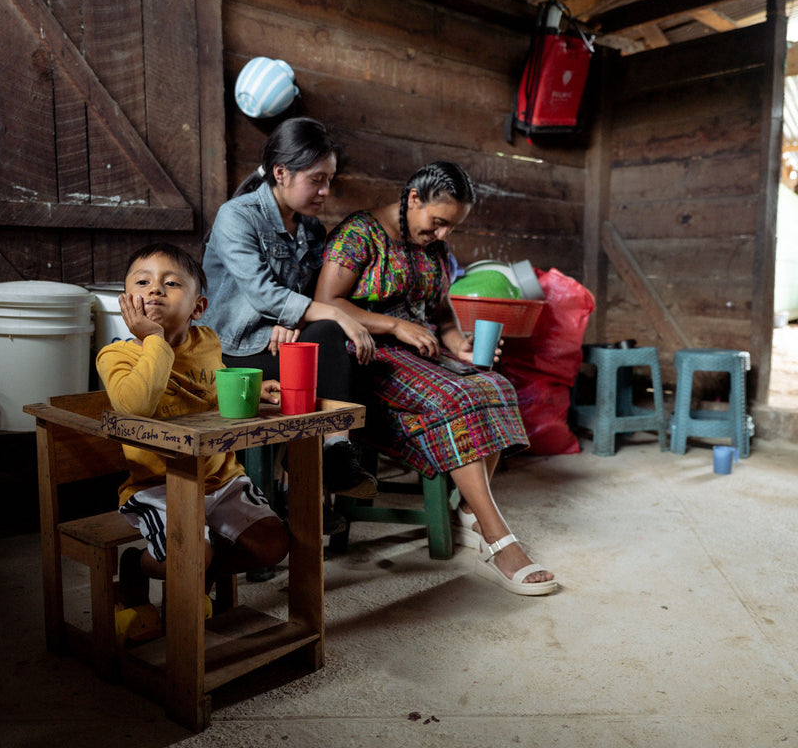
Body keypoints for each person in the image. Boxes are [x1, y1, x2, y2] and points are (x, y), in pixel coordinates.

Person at [315, 161, 557, 596]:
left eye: (451, 227)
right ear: (412, 200)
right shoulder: (359, 236)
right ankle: (497, 538)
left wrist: (460, 344)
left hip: (423, 354)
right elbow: (326, 301)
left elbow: (442, 316)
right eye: (438, 222)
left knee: (494, 385)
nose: (443, 234)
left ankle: (469, 506)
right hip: (370, 358)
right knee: (458, 398)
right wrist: (392, 326)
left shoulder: (436, 251)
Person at [96, 242, 290, 617]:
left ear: (198, 308)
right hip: (159, 486)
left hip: (220, 478)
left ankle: (199, 571)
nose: (155, 289)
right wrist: (154, 339)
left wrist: (254, 393)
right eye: (142, 282)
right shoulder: (117, 355)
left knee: (273, 544)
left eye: (171, 283)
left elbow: (212, 395)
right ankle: (138, 565)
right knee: (187, 556)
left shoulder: (207, 342)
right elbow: (134, 408)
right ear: (126, 302)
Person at [201, 117, 377, 529]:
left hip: (280, 344)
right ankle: (298, 491)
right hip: (235, 356)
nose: (325, 191)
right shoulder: (237, 217)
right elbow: (266, 295)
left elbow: (302, 299)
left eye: (330, 180)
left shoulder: (311, 230)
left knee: (329, 347)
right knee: (331, 329)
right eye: (317, 180)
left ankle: (320, 469)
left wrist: (294, 322)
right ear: (281, 173)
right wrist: (328, 311)